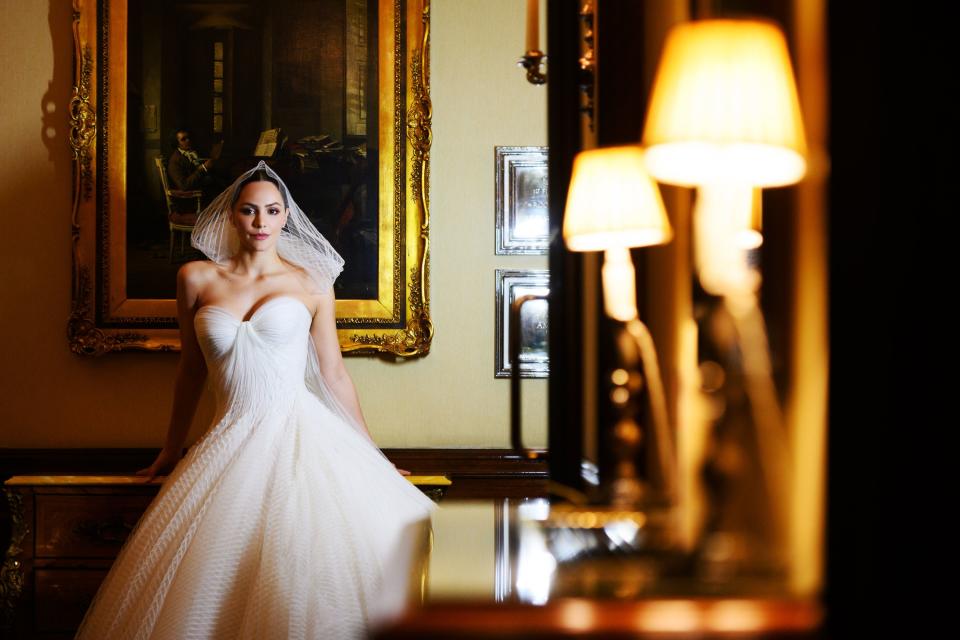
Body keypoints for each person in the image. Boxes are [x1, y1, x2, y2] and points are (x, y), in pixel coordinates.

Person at [74, 161, 437, 640]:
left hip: (301, 440)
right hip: (225, 444)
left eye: (271, 211)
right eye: (249, 211)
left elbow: (333, 374)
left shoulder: (311, 284)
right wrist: (170, 448)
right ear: (231, 216)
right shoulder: (195, 279)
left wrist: (374, 455)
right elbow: (189, 372)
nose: (261, 223)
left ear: (287, 216)